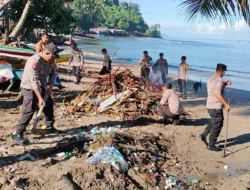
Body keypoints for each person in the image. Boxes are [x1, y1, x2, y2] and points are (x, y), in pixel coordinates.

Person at [12, 43, 59, 145]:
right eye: (52, 57)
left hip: (41, 85)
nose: (53, 60)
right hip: (29, 87)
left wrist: (50, 88)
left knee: (49, 104)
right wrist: (39, 98)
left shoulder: (50, 60)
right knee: (29, 109)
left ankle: (49, 125)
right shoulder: (34, 61)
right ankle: (18, 133)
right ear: (46, 53)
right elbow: (34, 81)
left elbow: (53, 73)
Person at [200, 64, 231, 151]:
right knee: (218, 124)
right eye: (224, 72)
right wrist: (225, 104)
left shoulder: (211, 78)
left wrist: (225, 84)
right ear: (223, 71)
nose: (224, 73)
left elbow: (213, 89)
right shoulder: (219, 80)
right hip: (215, 106)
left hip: (210, 105)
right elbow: (217, 94)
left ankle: (204, 135)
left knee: (214, 121)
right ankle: (211, 144)